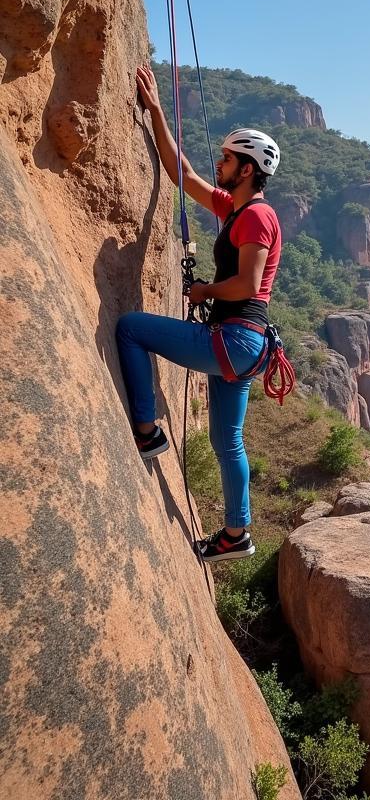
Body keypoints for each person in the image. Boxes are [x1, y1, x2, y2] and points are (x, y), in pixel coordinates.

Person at [117, 64, 283, 563]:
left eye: (229, 159)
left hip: (235, 340)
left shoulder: (255, 215)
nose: (220, 163)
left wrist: (206, 288)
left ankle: (146, 433)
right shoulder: (234, 207)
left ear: (248, 169)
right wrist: (154, 113)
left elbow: (249, 283)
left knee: (130, 329)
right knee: (227, 439)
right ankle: (237, 534)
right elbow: (181, 174)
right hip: (247, 347)